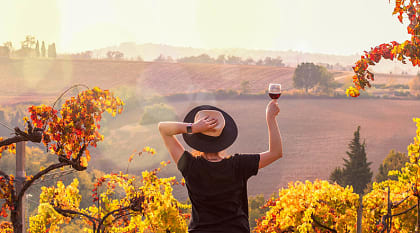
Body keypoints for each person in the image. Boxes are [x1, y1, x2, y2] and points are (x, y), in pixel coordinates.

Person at [158, 99, 282, 233]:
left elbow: (163, 129)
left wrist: (193, 127)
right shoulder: (238, 165)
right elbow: (276, 152)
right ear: (224, 137)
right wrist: (270, 118)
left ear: (197, 139)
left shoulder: (190, 165)